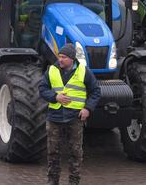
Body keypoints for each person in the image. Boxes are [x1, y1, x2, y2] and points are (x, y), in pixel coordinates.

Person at [39, 43, 101, 185]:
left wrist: (88, 109)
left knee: (75, 153)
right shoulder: (51, 70)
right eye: (59, 57)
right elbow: (42, 89)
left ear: (72, 59)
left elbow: (96, 91)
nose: (60, 60)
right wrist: (55, 97)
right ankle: (52, 182)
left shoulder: (84, 72)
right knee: (53, 152)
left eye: (64, 57)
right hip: (54, 117)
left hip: (75, 118)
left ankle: (74, 182)